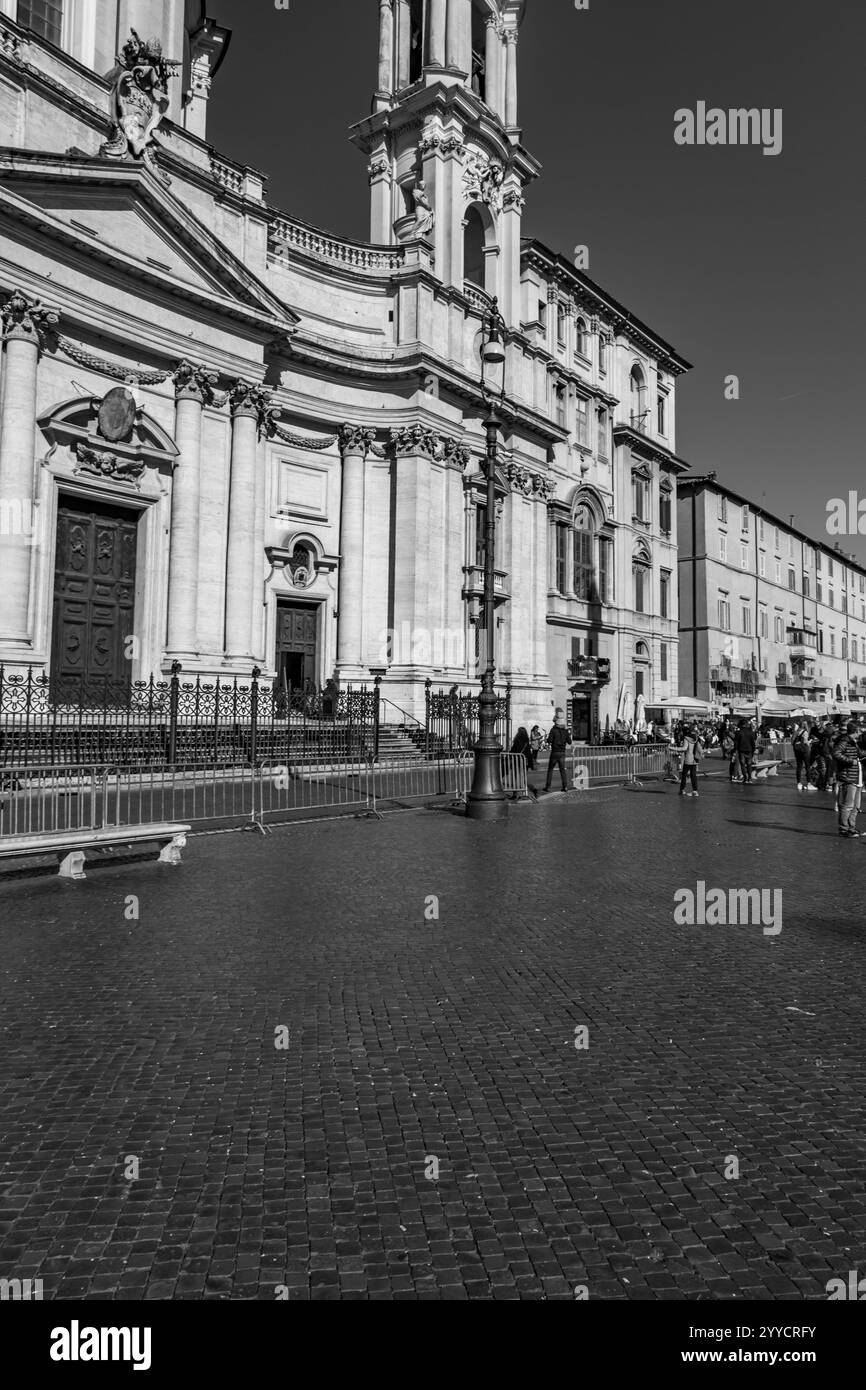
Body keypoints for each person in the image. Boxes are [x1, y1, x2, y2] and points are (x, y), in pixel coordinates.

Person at [833, 721, 864, 838]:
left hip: (857, 778)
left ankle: (852, 828)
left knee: (855, 806)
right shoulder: (844, 741)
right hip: (848, 777)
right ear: (855, 731)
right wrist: (851, 761)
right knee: (848, 805)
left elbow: (859, 754)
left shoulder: (853, 742)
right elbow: (835, 753)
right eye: (860, 731)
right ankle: (844, 829)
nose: (861, 733)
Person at [544, 710, 572, 792]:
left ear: (556, 723)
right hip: (562, 752)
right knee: (562, 770)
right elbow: (569, 742)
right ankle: (565, 786)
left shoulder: (553, 730)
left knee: (550, 769)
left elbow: (549, 740)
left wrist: (549, 739)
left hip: (555, 752)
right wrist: (566, 735)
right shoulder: (565, 731)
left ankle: (548, 786)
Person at [679, 723, 703, 797]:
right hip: (694, 760)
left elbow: (684, 748)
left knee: (684, 775)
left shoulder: (686, 738)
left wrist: (673, 748)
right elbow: (700, 749)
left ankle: (682, 790)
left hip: (688, 759)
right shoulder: (696, 738)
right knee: (693, 776)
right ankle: (695, 791)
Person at [734, 719, 757, 784]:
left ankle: (745, 778)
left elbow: (736, 742)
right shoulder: (751, 732)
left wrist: (735, 750)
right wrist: (753, 750)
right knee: (749, 765)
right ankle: (749, 778)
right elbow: (753, 743)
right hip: (749, 750)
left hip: (741, 751)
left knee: (743, 765)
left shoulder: (739, 732)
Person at [792, 721, 812, 791]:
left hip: (797, 751)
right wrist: (810, 742)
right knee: (807, 766)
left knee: (799, 767)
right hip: (804, 751)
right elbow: (805, 742)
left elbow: (792, 742)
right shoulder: (805, 732)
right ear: (805, 725)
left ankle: (799, 783)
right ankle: (809, 783)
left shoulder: (795, 732)